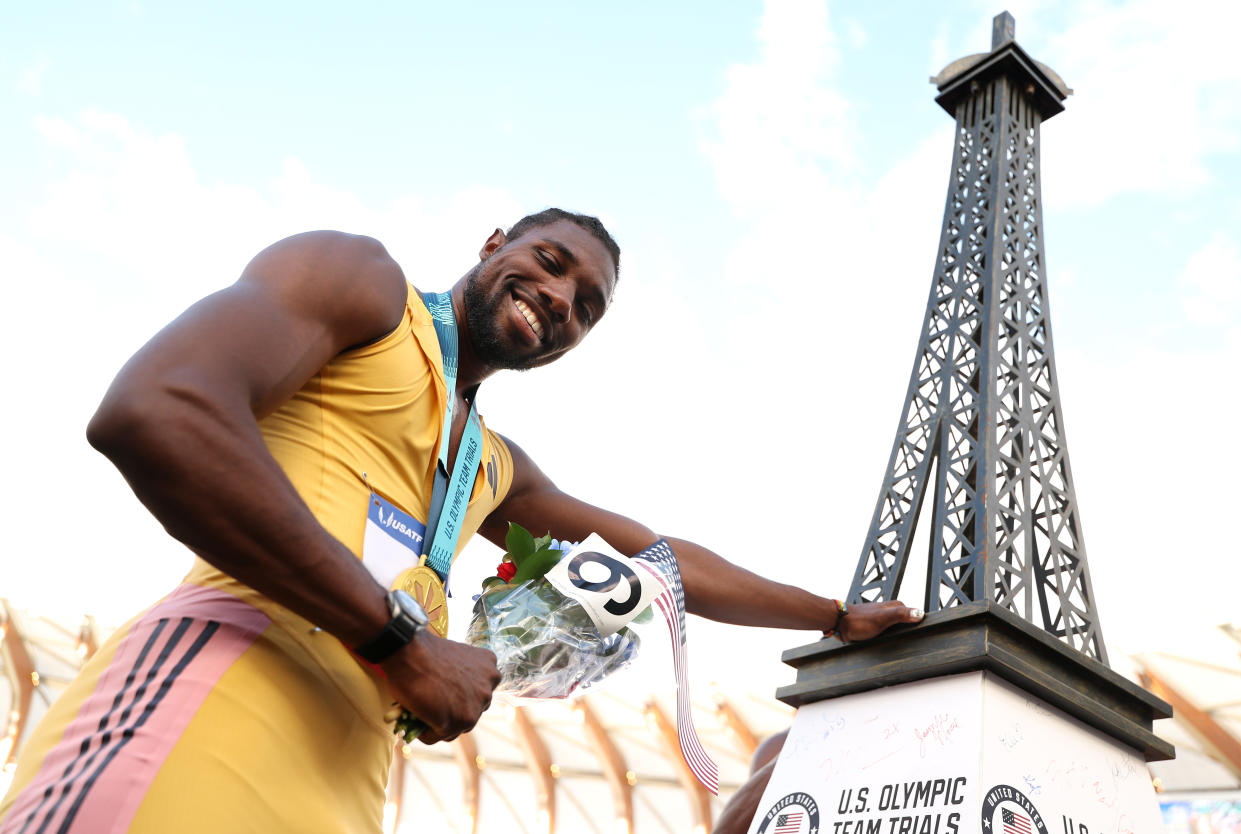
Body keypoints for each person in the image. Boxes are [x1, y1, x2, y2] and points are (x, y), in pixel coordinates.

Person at [0, 209, 921, 833]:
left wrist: (833, 618)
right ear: (493, 244)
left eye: (586, 309)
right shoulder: (365, 287)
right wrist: (397, 638)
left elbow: (661, 558)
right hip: (216, 693)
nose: (560, 299)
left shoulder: (491, 464)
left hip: (351, 775)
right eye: (552, 265)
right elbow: (158, 411)